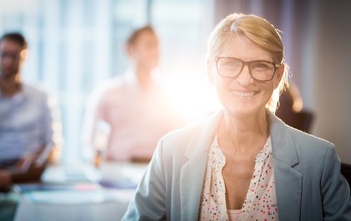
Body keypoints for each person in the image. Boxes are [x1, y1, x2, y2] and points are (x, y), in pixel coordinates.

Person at [123, 14, 351, 220]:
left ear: (277, 76)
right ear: (210, 71)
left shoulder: (319, 160)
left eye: (260, 66)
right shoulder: (170, 152)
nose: (245, 80)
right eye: (231, 64)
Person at [82, 25, 184, 163]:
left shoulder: (169, 97)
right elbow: (93, 144)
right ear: (130, 49)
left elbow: (179, 142)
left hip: (157, 171)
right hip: (118, 170)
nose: (156, 52)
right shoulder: (107, 93)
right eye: (149, 46)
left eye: (157, 46)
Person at [0, 32, 63, 185]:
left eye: (14, 56)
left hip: (32, 172)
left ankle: (7, 180)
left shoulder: (42, 96)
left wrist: (40, 159)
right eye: (4, 55)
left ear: (24, 56)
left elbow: (54, 145)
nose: (8, 62)